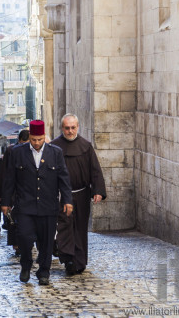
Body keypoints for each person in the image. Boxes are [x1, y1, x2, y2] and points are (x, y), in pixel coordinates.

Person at [1, 120, 73, 285]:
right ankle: (26, 265)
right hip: (25, 206)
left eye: (40, 139)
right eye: (33, 139)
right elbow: (10, 179)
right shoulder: (18, 152)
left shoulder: (55, 153)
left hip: (48, 206)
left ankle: (44, 272)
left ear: (44, 137)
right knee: (24, 238)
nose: (37, 143)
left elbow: (64, 179)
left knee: (47, 241)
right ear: (30, 138)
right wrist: (5, 202)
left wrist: (67, 200)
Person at [51, 113, 106, 275]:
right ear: (62, 128)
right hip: (62, 196)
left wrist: (98, 190)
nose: (70, 131)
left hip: (81, 194)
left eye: (73, 128)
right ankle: (68, 259)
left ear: (78, 127)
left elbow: (95, 170)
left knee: (80, 229)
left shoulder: (86, 146)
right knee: (65, 228)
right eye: (67, 128)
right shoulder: (54, 147)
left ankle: (79, 261)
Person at [1, 129, 29, 256]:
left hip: (27, 191)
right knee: (13, 219)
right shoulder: (11, 151)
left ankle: (25, 243)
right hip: (14, 190)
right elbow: (6, 172)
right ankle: (16, 244)